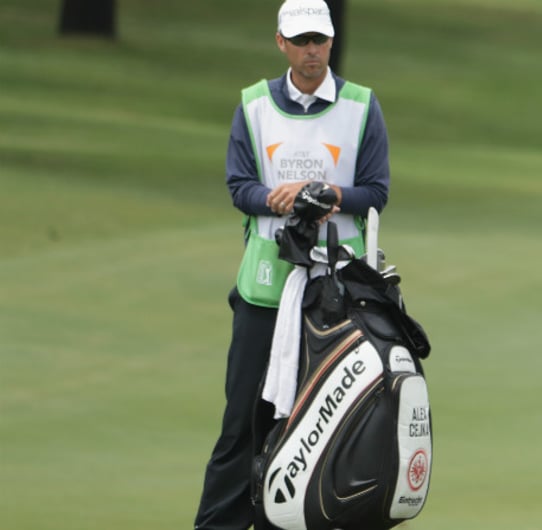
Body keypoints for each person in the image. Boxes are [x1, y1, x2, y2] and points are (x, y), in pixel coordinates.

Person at [194, 0, 390, 528]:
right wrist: (276, 199)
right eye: (301, 41)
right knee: (242, 422)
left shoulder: (361, 106)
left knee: (325, 425)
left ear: (331, 42)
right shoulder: (254, 105)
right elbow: (241, 187)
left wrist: (328, 195)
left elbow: (376, 192)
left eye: (319, 41)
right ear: (281, 42)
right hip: (264, 287)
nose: (311, 51)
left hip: (338, 290)